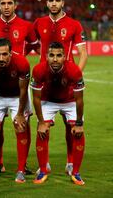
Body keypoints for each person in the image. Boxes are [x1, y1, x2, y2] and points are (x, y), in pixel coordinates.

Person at [0, 0, 38, 174]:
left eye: (9, 3)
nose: (6, 6)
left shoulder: (26, 26)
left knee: (23, 125)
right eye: (3, 3)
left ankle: (23, 164)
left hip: (19, 82)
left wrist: (21, 58)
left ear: (15, 5)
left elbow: (34, 45)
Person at [33, 0, 87, 174]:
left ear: (62, 3)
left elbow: (83, 53)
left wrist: (74, 75)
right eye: (51, 0)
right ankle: (44, 164)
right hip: (45, 85)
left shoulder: (74, 24)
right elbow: (31, 45)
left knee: (71, 127)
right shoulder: (39, 23)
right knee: (43, 127)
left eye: (57, 0)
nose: (54, 3)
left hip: (67, 85)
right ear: (47, 3)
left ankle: (71, 162)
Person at [31, 42, 85, 185]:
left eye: (59, 55)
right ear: (46, 56)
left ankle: (76, 172)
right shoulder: (38, 70)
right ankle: (43, 170)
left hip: (70, 101)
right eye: (52, 55)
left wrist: (79, 124)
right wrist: (41, 122)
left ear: (64, 57)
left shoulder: (74, 71)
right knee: (42, 131)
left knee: (78, 133)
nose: (55, 59)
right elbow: (36, 98)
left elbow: (79, 100)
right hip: (47, 100)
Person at [0, 38, 31, 183]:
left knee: (20, 127)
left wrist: (20, 114)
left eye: (4, 54)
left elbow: (23, 90)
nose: (1, 58)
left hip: (17, 97)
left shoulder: (22, 63)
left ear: (11, 53)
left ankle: (21, 170)